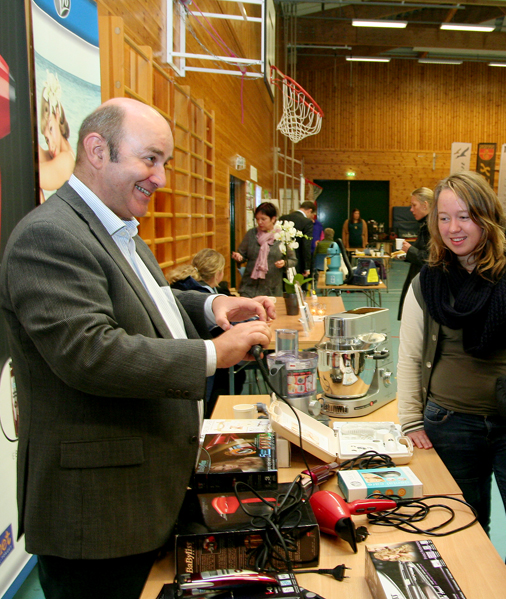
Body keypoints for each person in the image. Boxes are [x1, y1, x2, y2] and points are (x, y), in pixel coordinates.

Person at [0, 97, 275, 599]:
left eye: (165, 162)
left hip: (146, 497)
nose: (161, 177)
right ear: (97, 150)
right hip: (99, 516)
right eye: (150, 159)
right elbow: (91, 351)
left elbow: (148, 302)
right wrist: (215, 354)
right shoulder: (48, 236)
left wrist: (210, 309)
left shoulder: (119, 230)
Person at [397, 171, 506, 581]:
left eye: (464, 217)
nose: (453, 229)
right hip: (450, 422)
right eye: (443, 218)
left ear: (486, 217)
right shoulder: (428, 283)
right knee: (462, 526)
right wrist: (410, 420)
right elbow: (409, 355)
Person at [168, 248, 246, 415]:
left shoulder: (179, 286)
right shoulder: (202, 295)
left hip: (183, 358)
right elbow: (223, 335)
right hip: (204, 367)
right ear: (218, 274)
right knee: (239, 372)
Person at [233, 202, 297, 297]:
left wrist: (284, 263)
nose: (260, 222)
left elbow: (293, 260)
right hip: (249, 288)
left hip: (271, 289)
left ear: (273, 219)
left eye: (263, 219)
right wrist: (238, 257)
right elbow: (242, 255)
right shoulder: (251, 234)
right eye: (257, 219)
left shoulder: (282, 236)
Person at [38, 71, 75, 200]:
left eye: (51, 129)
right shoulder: (63, 155)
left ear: (57, 113)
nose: (51, 145)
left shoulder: (66, 161)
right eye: (47, 140)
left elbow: (29, 173)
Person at [397, 187, 433, 320]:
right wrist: (407, 254)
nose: (411, 209)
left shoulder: (432, 227)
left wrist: (410, 250)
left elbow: (430, 259)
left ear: (425, 205)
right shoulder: (425, 226)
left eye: (414, 205)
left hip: (425, 288)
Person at [279, 200, 315, 277]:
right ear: (310, 211)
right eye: (312, 214)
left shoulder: (283, 218)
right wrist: (307, 267)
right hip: (298, 261)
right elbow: (306, 245)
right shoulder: (307, 222)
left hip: (281, 260)